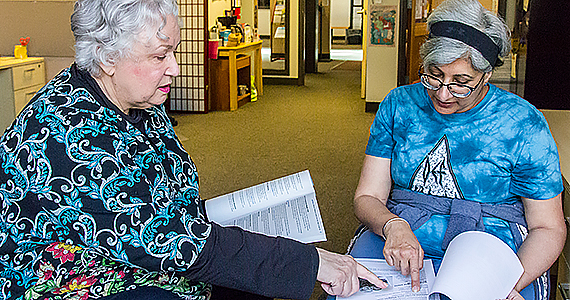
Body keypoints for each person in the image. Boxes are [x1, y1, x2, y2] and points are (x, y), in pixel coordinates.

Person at [0, 0, 388, 299]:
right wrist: (312, 262)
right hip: (77, 282)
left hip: (148, 252)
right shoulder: (68, 133)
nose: (175, 68)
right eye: (158, 56)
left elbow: (167, 201)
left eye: (174, 52)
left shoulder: (137, 100)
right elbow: (177, 243)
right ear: (106, 57)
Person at [344, 0, 566, 299]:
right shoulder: (399, 104)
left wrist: (508, 283)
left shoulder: (523, 122)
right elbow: (367, 196)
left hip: (493, 251)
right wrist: (392, 226)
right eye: (434, 75)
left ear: (486, 76)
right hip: (401, 236)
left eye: (461, 82)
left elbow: (547, 228)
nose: (443, 93)